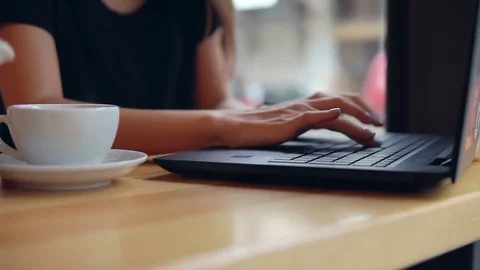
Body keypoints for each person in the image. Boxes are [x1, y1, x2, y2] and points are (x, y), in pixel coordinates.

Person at [0, 0, 383, 155]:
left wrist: (282, 117)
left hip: (162, 194)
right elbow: (38, 114)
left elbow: (216, 100)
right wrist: (224, 125)